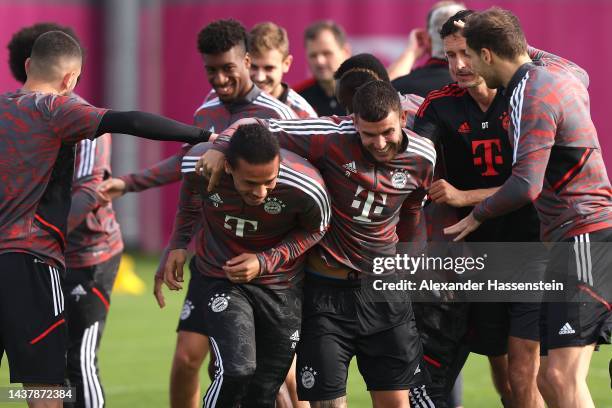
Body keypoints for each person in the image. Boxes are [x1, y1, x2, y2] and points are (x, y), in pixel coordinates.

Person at [0, 30, 210, 408]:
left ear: (28, 65)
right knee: (46, 389)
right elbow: (130, 121)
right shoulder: (58, 110)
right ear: (70, 80)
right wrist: (204, 135)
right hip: (30, 262)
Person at [97, 18, 297, 408]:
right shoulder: (206, 111)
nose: (220, 78)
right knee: (189, 358)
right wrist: (132, 185)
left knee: (268, 375)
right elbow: (188, 167)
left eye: (228, 68)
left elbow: (296, 189)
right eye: (211, 69)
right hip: (212, 258)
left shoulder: (278, 116)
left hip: (262, 264)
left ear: (248, 60)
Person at [199, 80, 434, 408]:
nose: (379, 143)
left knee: (395, 402)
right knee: (326, 403)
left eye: (388, 133)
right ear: (354, 123)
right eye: (368, 134)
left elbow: (411, 211)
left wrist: (412, 266)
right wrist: (221, 145)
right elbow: (256, 126)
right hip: (327, 295)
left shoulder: (424, 156)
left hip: (383, 291)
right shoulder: (327, 136)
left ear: (403, 121)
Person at [446, 7, 612, 408]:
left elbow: (525, 185)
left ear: (488, 54)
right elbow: (577, 70)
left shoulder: (529, 94)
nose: (462, 65)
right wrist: (504, 37)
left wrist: (476, 214)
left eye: (469, 52)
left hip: (584, 236)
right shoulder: (561, 74)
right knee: (550, 379)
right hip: (570, 238)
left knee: (558, 376)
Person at [164, 123, 329, 407]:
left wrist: (265, 261)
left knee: (265, 389)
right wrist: (179, 243)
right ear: (228, 167)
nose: (261, 192)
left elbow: (317, 229)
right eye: (250, 183)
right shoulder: (199, 164)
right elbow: (190, 195)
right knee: (236, 370)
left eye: (269, 181)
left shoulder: (307, 187)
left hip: (280, 286)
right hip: (221, 277)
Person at [7, 22, 124, 408]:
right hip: (37, 260)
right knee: (52, 376)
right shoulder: (46, 112)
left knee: (75, 360)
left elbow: (90, 187)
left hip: (86, 253)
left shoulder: (74, 118)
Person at [391, 1, 464, 97]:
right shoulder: (477, 89)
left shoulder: (397, 88)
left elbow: (379, 90)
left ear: (427, 40)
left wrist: (411, 53)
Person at [249, 22, 317, 119]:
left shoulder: (303, 115)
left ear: (286, 64)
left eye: (269, 68)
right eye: (253, 67)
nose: (260, 77)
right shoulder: (229, 104)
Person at [293, 20, 351, 116]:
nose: (319, 61)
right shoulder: (297, 99)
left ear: (346, 51)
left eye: (327, 53)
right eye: (313, 55)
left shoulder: (364, 93)